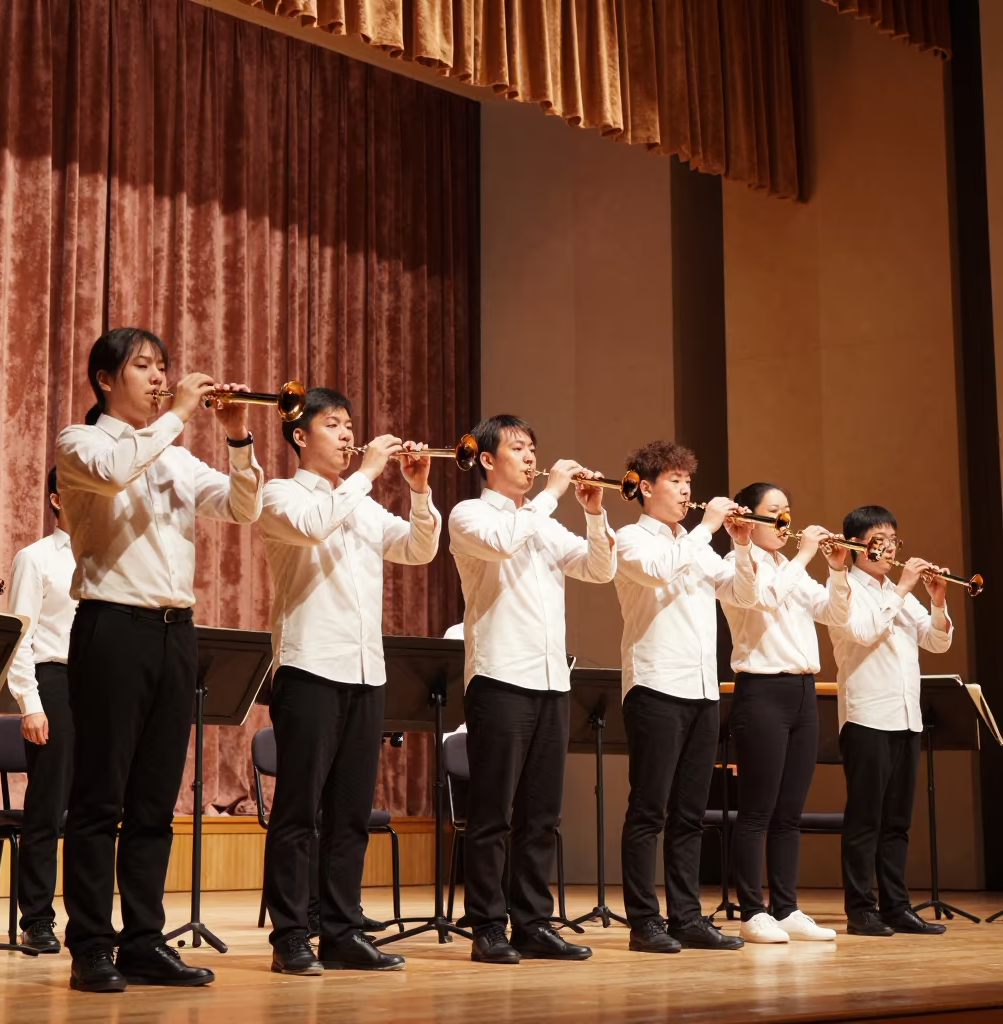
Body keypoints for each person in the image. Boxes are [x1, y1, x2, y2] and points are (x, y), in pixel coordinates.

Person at [56, 327, 263, 991]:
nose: (158, 377)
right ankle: (91, 944)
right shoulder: (80, 442)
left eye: (163, 367)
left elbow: (242, 507)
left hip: (176, 633)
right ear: (105, 379)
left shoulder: (174, 458)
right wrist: (178, 413)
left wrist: (236, 440)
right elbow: (118, 471)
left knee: (154, 800)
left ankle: (144, 940)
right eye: (143, 367)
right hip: (112, 625)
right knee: (99, 797)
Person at [259, 387, 440, 976]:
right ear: (299, 436)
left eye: (349, 425)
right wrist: (365, 474)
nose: (345, 435)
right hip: (309, 665)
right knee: (297, 811)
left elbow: (418, 549)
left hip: (366, 670)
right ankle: (291, 933)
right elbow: (313, 527)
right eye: (333, 425)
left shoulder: (358, 503)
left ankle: (341, 930)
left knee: (349, 812)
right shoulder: (279, 494)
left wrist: (418, 489)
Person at [449, 414, 615, 965]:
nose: (528, 456)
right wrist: (550, 495)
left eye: (532, 448)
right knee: (493, 814)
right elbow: (500, 543)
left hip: (550, 680)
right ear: (488, 460)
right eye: (517, 448)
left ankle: (533, 923)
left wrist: (593, 514)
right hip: (499, 677)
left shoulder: (541, 520)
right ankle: (487, 927)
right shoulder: (469, 514)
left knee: (541, 814)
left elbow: (597, 569)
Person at [615, 441, 755, 955]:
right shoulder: (630, 538)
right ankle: (643, 922)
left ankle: (687, 916)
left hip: (701, 689)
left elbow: (741, 596)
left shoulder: (698, 544)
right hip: (655, 685)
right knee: (649, 808)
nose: (686, 490)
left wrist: (740, 547)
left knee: (691, 813)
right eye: (675, 481)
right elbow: (658, 572)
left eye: (687, 482)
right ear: (646, 487)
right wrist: (708, 529)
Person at [719, 482, 848, 943]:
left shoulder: (790, 569)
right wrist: (805, 556)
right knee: (757, 810)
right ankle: (753, 910)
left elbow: (835, 614)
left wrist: (835, 571)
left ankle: (787, 907)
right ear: (748, 519)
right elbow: (765, 597)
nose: (785, 522)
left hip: (802, 693)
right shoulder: (740, 566)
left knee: (790, 811)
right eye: (774, 513)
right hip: (761, 693)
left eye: (787, 512)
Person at [828, 506, 952, 937]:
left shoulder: (900, 594)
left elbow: (936, 642)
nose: (888, 548)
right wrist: (899, 589)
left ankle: (897, 906)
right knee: (866, 818)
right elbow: (862, 632)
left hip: (905, 717)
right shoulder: (844, 588)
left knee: (898, 820)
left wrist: (936, 601)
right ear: (857, 545)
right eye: (879, 540)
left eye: (893, 540)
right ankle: (861, 909)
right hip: (867, 716)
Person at [6, 467, 77, 953]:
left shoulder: (111, 555)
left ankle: (89, 919)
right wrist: (30, 704)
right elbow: (19, 637)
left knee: (97, 808)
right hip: (55, 680)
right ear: (56, 498)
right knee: (47, 805)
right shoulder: (36, 558)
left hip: (104, 686)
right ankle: (37, 918)